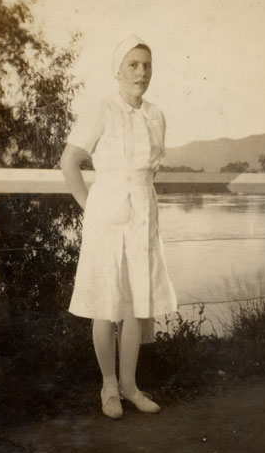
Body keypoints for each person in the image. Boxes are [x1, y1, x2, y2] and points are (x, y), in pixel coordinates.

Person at [60, 34, 177, 419]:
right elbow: (69, 162)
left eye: (146, 65)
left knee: (136, 302)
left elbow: (150, 169)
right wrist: (89, 205)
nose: (141, 72)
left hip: (143, 214)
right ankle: (109, 386)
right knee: (107, 303)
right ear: (118, 70)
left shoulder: (155, 114)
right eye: (133, 64)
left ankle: (130, 386)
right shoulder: (102, 109)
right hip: (107, 215)